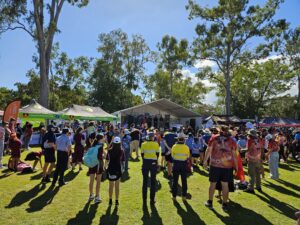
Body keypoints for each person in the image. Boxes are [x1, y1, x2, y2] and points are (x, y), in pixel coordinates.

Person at [204, 125, 238, 211]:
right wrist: (236, 167)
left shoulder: (214, 138)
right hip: (227, 166)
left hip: (215, 165)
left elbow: (208, 150)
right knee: (225, 184)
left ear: (219, 130)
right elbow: (234, 155)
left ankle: (210, 202)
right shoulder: (231, 140)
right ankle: (224, 204)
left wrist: (204, 162)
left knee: (212, 184)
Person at [141, 131, 160, 205]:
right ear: (152, 137)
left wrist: (146, 160)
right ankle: (152, 199)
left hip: (145, 162)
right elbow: (157, 154)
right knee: (153, 181)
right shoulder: (156, 144)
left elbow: (142, 154)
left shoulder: (143, 144)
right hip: (153, 162)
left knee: (145, 181)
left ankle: (144, 200)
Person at [106, 137, 125, 206]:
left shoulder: (109, 151)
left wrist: (105, 167)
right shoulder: (121, 151)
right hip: (118, 168)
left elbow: (107, 160)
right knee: (117, 186)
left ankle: (110, 200)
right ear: (120, 143)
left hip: (111, 168)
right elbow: (123, 161)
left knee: (111, 185)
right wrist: (123, 169)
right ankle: (116, 201)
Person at [171, 132, 190, 201]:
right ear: (184, 140)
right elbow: (187, 156)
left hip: (176, 164)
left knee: (175, 181)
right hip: (183, 164)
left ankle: (174, 196)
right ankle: (184, 196)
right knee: (184, 181)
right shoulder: (186, 147)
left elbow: (172, 156)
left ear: (178, 139)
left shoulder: (174, 146)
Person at [244, 129, 262, 193]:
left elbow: (248, 149)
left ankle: (251, 188)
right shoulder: (259, 140)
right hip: (258, 158)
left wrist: (241, 149)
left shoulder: (250, 140)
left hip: (251, 159)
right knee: (257, 174)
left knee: (251, 174)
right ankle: (258, 187)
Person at [88, 134, 105, 204]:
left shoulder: (93, 144)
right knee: (98, 181)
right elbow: (102, 156)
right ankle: (97, 197)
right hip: (98, 164)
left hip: (92, 164)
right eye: (103, 138)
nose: (104, 139)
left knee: (91, 180)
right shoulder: (101, 146)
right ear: (100, 139)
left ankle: (91, 195)